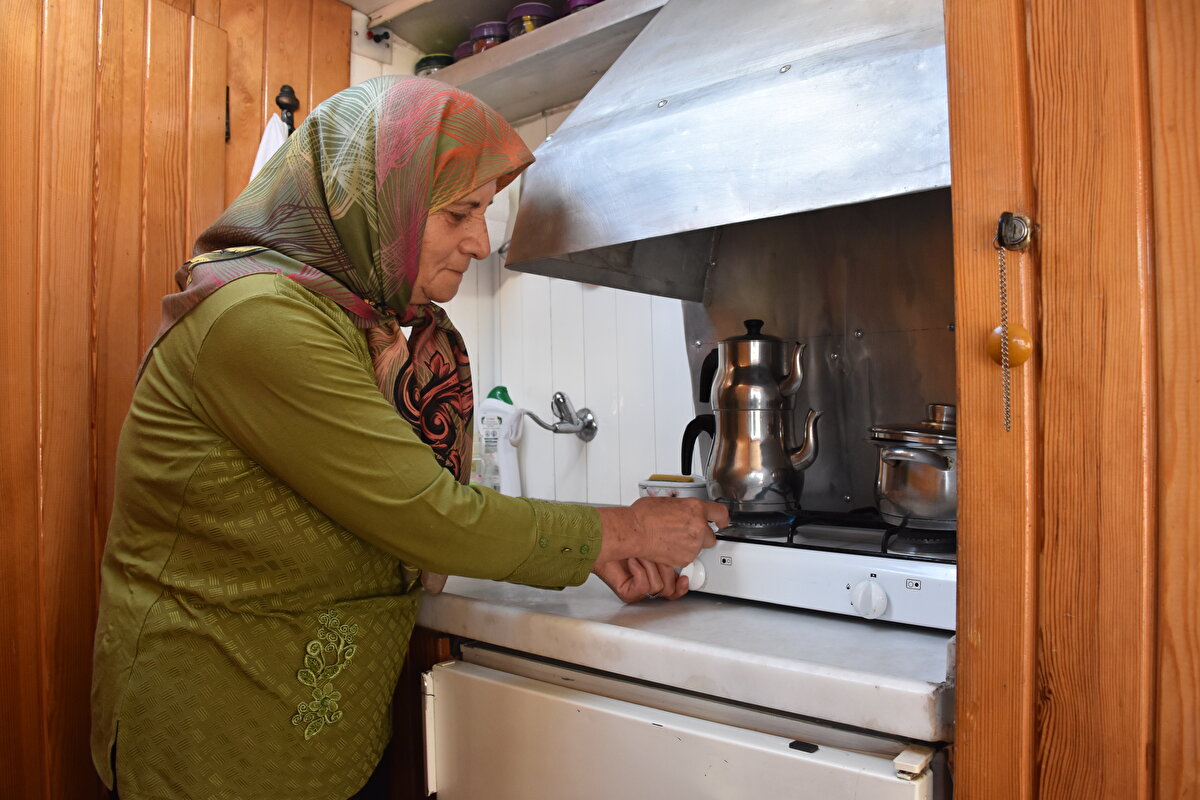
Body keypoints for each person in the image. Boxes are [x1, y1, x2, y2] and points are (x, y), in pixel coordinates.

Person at [90, 75, 726, 800]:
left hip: (321, 734)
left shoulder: (369, 326)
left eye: (486, 213)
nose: (481, 242)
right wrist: (622, 531)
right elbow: (430, 518)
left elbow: (400, 513)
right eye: (461, 212)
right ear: (380, 201)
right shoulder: (260, 319)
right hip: (217, 739)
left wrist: (587, 555)